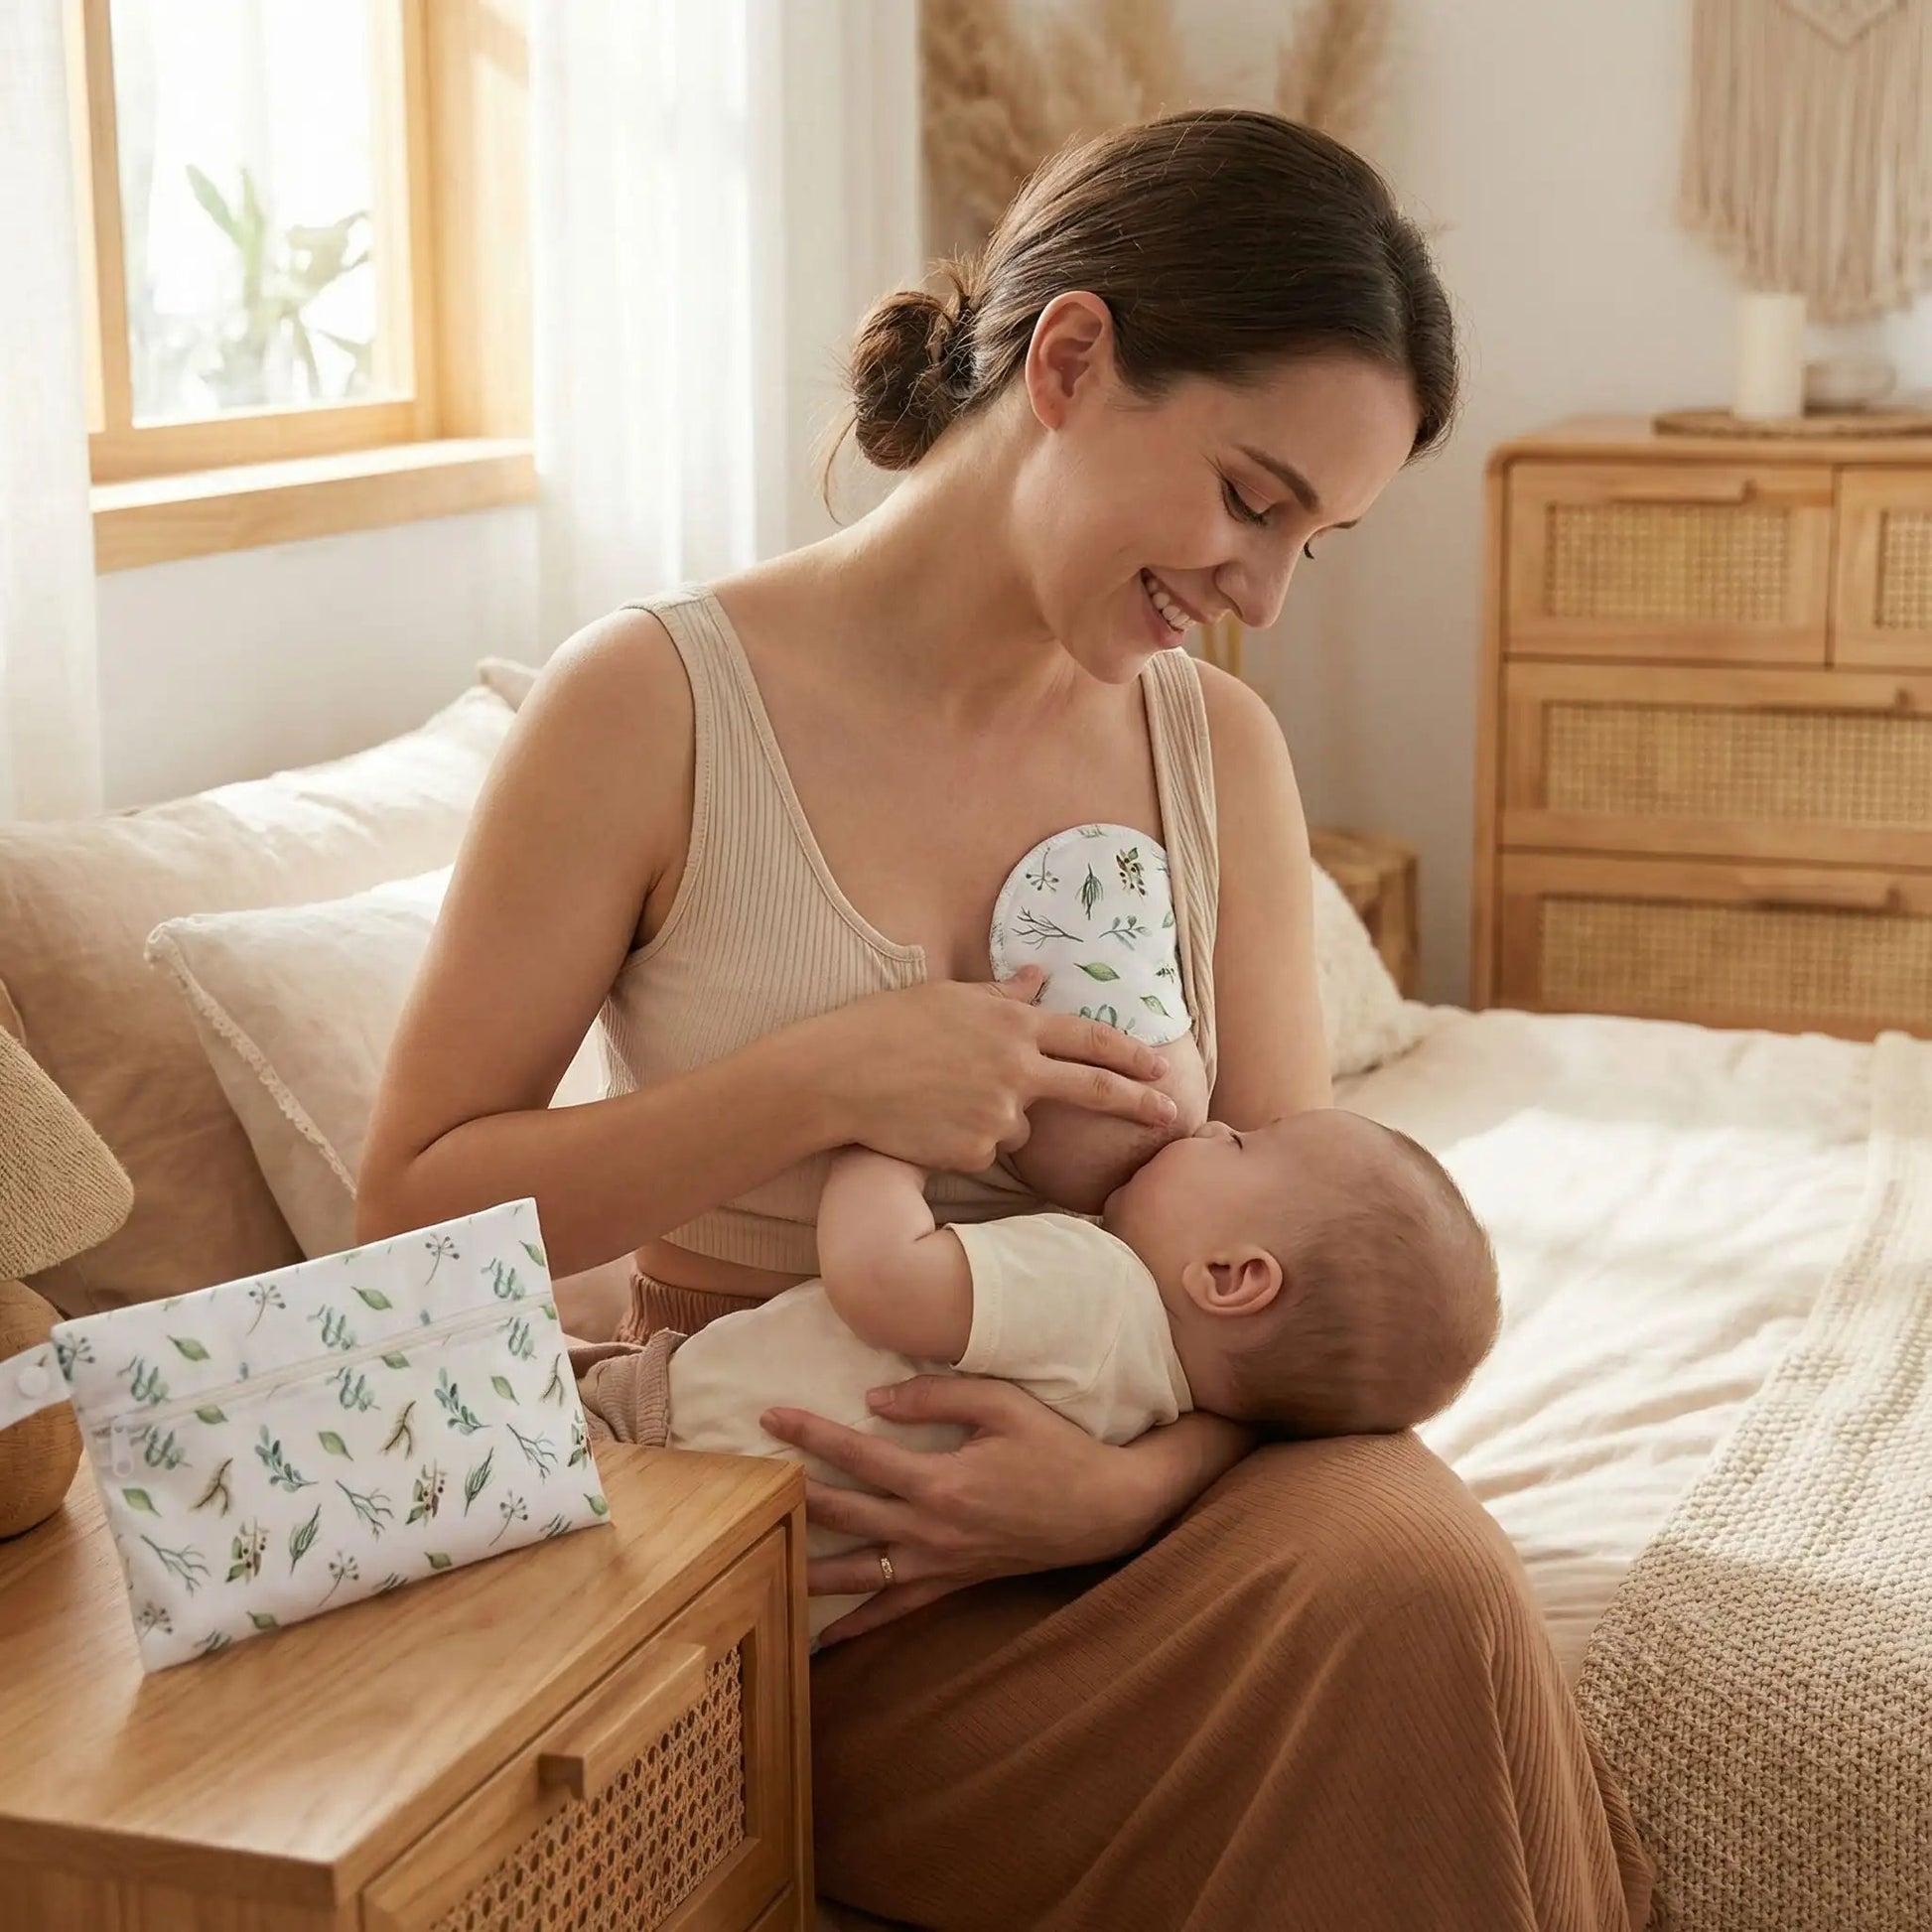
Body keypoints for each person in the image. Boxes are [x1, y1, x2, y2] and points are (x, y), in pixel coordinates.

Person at [358, 108, 1652, 1932]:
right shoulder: (649, 706)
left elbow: (1285, 1281)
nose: (1262, 593)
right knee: (1399, 1627)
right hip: (820, 1546)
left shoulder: (1218, 751)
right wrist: (820, 1081)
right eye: (1251, 501)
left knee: (1412, 1571)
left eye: (1318, 545)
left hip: (1134, 1499)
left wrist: (1119, 1496)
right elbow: (407, 1215)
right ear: (1069, 361)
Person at [612, 1106, 1502, 1644]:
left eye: (1242, 1145)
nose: (1215, 1124)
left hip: (662, 1437)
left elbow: (879, 1280)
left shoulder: (1095, 1284)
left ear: (1232, 1277)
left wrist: (894, 1138)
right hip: (762, 1594)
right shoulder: (1153, 1402)